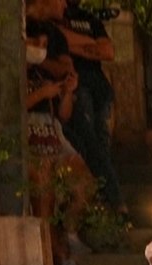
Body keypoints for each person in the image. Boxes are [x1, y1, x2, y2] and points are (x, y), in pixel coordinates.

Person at [25, 23, 96, 265]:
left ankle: (70, 232)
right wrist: (40, 94)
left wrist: (67, 93)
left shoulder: (44, 74)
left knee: (84, 182)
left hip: (53, 135)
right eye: (36, 44)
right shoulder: (10, 73)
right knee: (45, 197)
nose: (40, 50)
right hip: (29, 141)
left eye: (44, 46)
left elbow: (63, 114)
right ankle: (59, 262)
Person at [61, 0, 123, 207]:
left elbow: (108, 52)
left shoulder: (90, 19)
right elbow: (60, 42)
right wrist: (91, 44)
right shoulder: (57, 17)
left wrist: (76, 45)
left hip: (100, 90)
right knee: (89, 144)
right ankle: (105, 199)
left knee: (102, 144)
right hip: (77, 88)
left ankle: (104, 198)